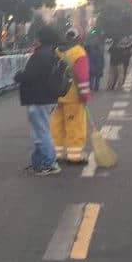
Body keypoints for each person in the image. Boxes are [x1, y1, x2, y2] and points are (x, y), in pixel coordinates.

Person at [14, 27, 62, 175]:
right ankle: (40, 163)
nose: (35, 40)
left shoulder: (40, 55)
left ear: (42, 38)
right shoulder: (52, 53)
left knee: (41, 133)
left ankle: (48, 163)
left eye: (37, 37)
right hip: (48, 97)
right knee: (41, 132)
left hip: (39, 98)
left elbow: (31, 76)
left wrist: (19, 76)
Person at [50, 29, 92, 164]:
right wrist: (85, 96)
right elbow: (82, 77)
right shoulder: (79, 52)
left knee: (57, 125)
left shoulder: (57, 51)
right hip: (73, 96)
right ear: (79, 39)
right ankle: (75, 155)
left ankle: (56, 153)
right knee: (75, 126)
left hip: (58, 94)